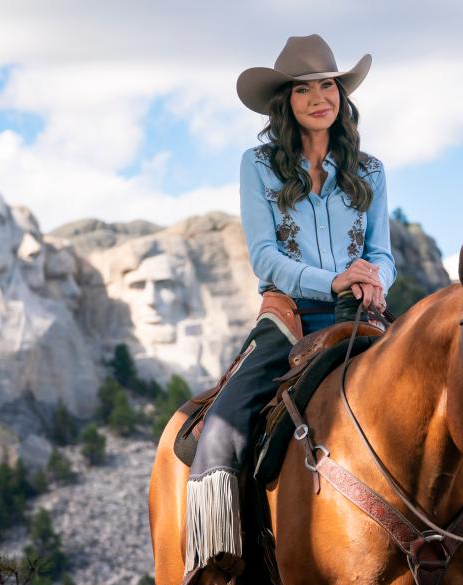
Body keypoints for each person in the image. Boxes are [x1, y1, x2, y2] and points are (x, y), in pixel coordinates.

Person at [183, 34, 397, 581]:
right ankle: (218, 559)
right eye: (305, 88)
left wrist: (374, 279)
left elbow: (382, 254)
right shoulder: (258, 165)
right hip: (289, 316)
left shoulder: (370, 171)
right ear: (286, 100)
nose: (319, 96)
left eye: (328, 84)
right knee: (224, 425)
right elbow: (265, 257)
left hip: (360, 316)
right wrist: (335, 281)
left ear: (341, 96)